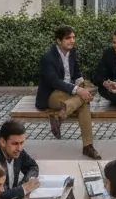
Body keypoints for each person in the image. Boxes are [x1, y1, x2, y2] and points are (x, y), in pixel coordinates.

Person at [35, 25, 100, 160]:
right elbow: (54, 82)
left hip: (69, 94)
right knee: (84, 100)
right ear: (59, 41)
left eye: (73, 37)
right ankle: (88, 146)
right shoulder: (48, 58)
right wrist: (79, 90)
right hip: (52, 95)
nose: (72, 41)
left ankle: (62, 113)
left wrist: (82, 84)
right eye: (68, 38)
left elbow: (76, 73)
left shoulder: (72, 52)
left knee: (91, 90)